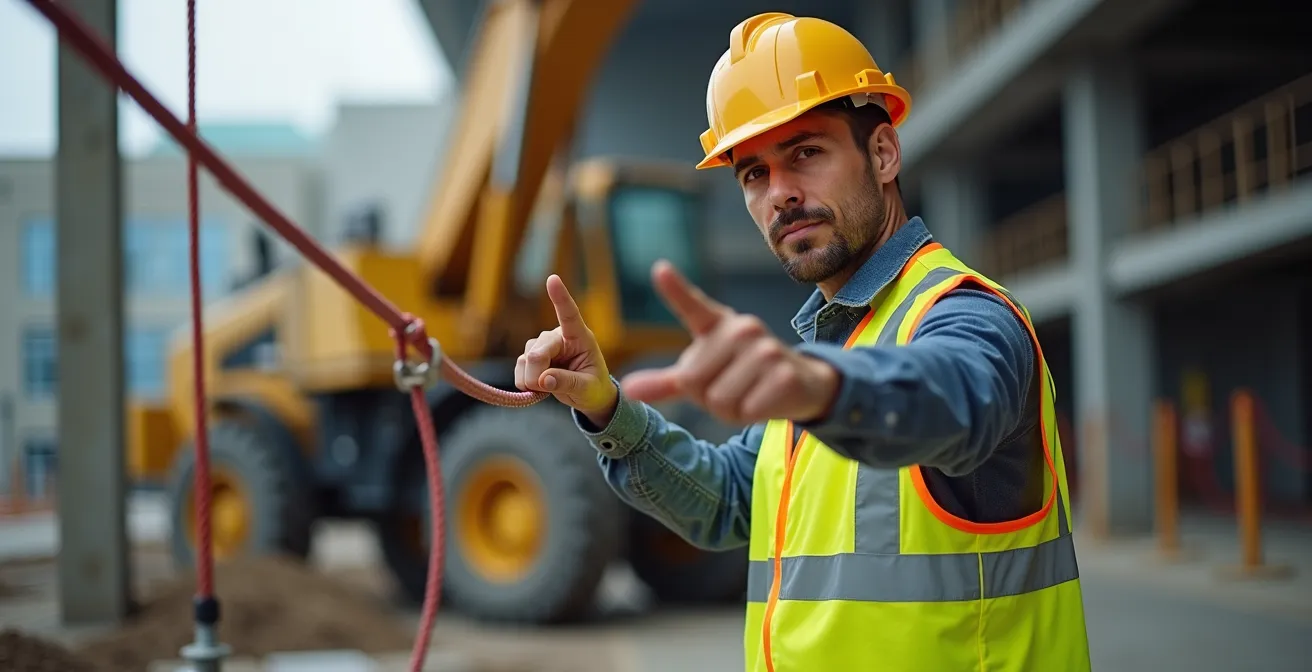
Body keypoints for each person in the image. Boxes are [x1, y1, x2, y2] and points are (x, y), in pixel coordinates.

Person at [515, 12, 1091, 672]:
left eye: (806, 154)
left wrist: (817, 387)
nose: (780, 193)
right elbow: (731, 502)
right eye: (754, 174)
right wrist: (607, 412)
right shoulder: (836, 343)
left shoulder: (966, 315)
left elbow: (955, 401)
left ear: (882, 154)